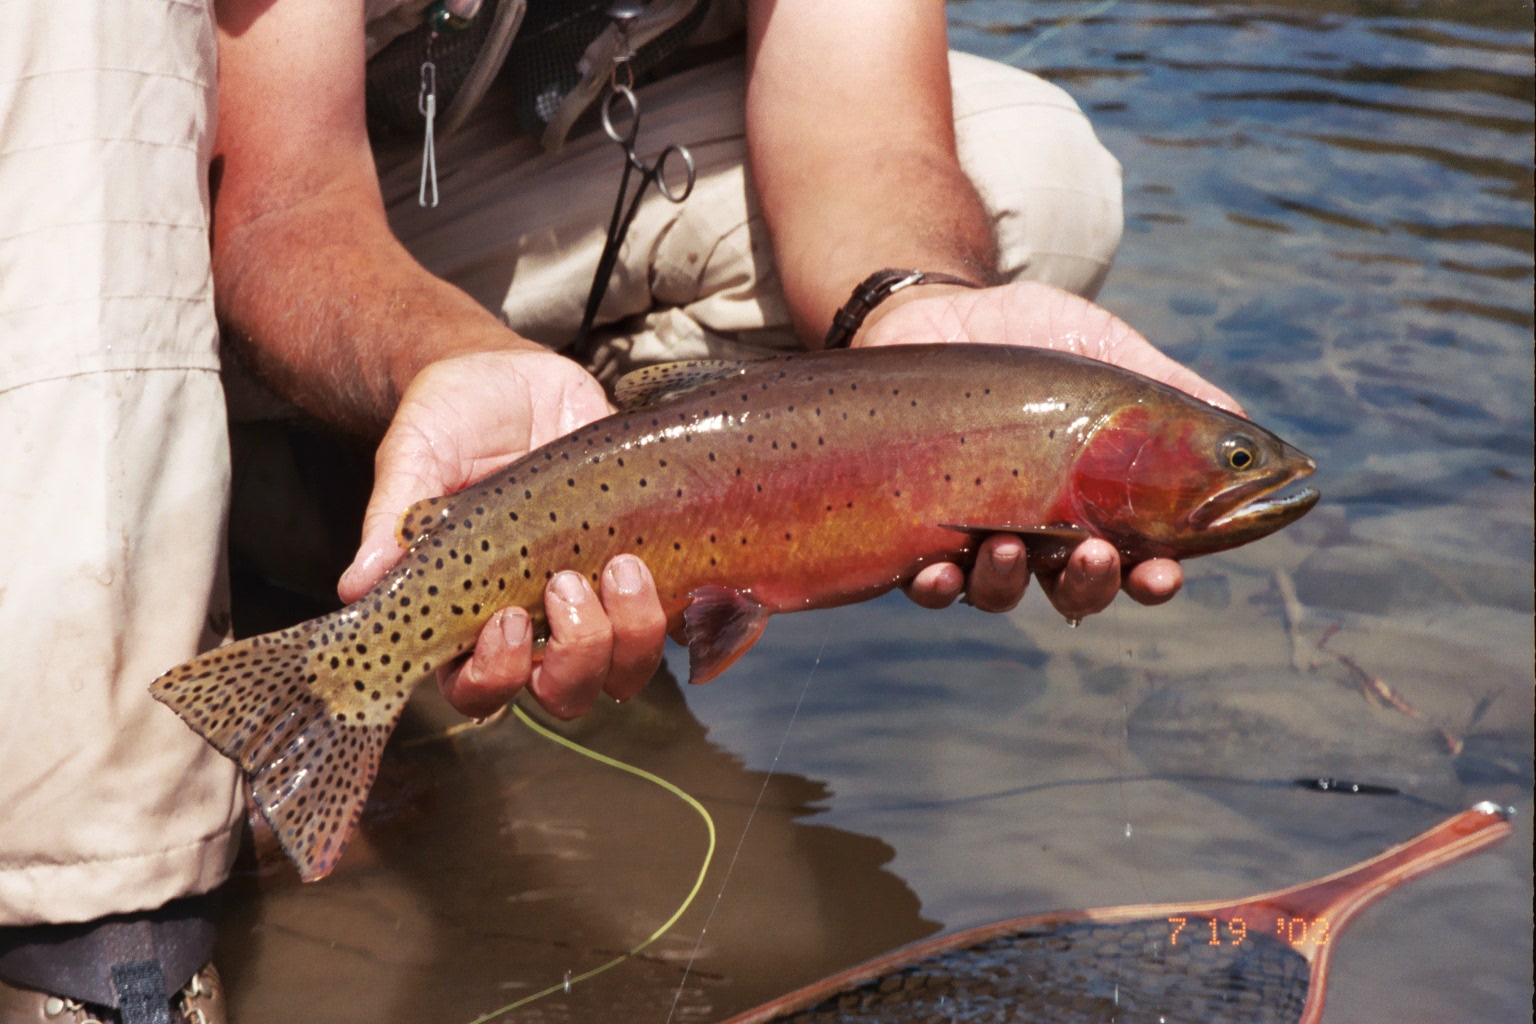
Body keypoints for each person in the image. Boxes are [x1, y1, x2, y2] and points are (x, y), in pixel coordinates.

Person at [0, 0, 1239, 1020]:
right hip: (141, 208)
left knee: (1034, 174)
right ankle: (96, 919)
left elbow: (861, 138)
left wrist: (913, 310)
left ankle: (477, 491)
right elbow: (285, 204)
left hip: (477, 196)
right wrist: (438, 354)